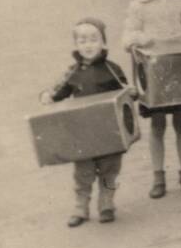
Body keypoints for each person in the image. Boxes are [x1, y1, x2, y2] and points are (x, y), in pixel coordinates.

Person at [122, 0, 181, 200]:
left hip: (180, 68)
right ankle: (158, 176)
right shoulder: (138, 5)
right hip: (155, 70)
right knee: (157, 125)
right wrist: (143, 39)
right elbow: (128, 37)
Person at [39, 18, 131, 228]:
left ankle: (106, 203)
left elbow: (125, 95)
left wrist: (130, 93)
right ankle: (81, 206)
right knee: (83, 171)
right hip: (82, 133)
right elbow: (58, 93)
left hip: (109, 132)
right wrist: (47, 96)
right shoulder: (72, 72)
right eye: (82, 40)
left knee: (110, 168)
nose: (88, 45)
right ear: (76, 46)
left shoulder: (112, 69)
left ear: (103, 43)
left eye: (93, 39)